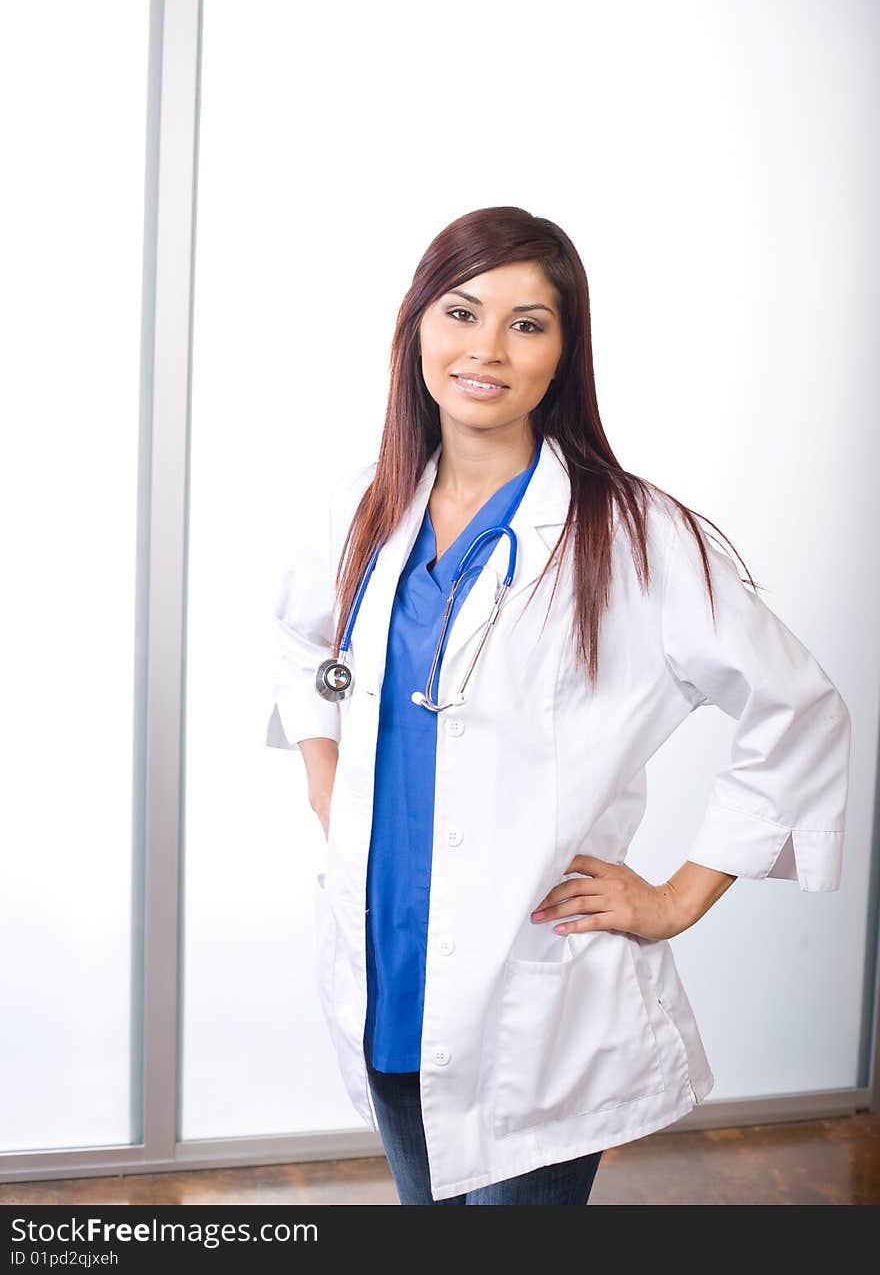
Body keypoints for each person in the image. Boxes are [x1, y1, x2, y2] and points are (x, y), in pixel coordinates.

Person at [266, 205, 851, 1205]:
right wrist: (329, 789)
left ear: (562, 354)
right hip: (385, 962)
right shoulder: (365, 501)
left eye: (526, 323)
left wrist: (673, 897)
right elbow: (304, 643)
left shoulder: (635, 533)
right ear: (417, 328)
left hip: (530, 984)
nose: (485, 348)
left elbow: (798, 710)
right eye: (461, 311)